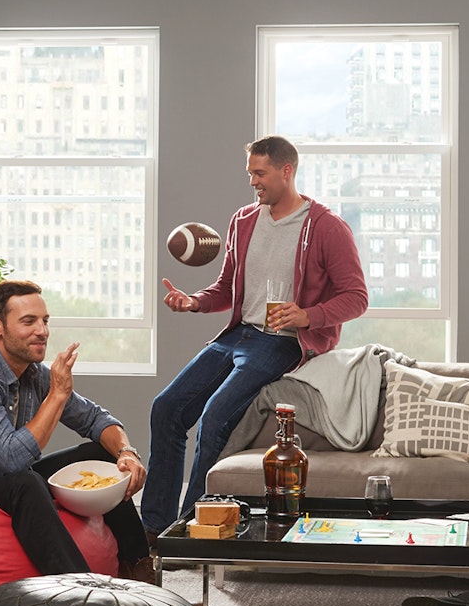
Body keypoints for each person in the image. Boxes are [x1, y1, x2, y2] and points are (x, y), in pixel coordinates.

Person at [143, 136, 368, 536]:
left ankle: (193, 526)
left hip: (282, 341)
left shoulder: (326, 227)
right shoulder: (243, 221)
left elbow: (356, 298)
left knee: (215, 417)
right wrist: (193, 302)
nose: (252, 182)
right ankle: (152, 530)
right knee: (166, 408)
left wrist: (306, 315)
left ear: (287, 171)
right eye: (249, 173)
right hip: (238, 335)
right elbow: (227, 287)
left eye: (259, 173)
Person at [0, 280, 153, 581]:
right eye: (28, 321)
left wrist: (127, 452)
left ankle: (140, 572)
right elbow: (12, 460)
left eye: (45, 321)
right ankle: (83, 592)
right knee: (26, 482)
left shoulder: (33, 373)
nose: (42, 331)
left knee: (101, 453)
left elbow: (95, 419)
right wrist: (57, 396)